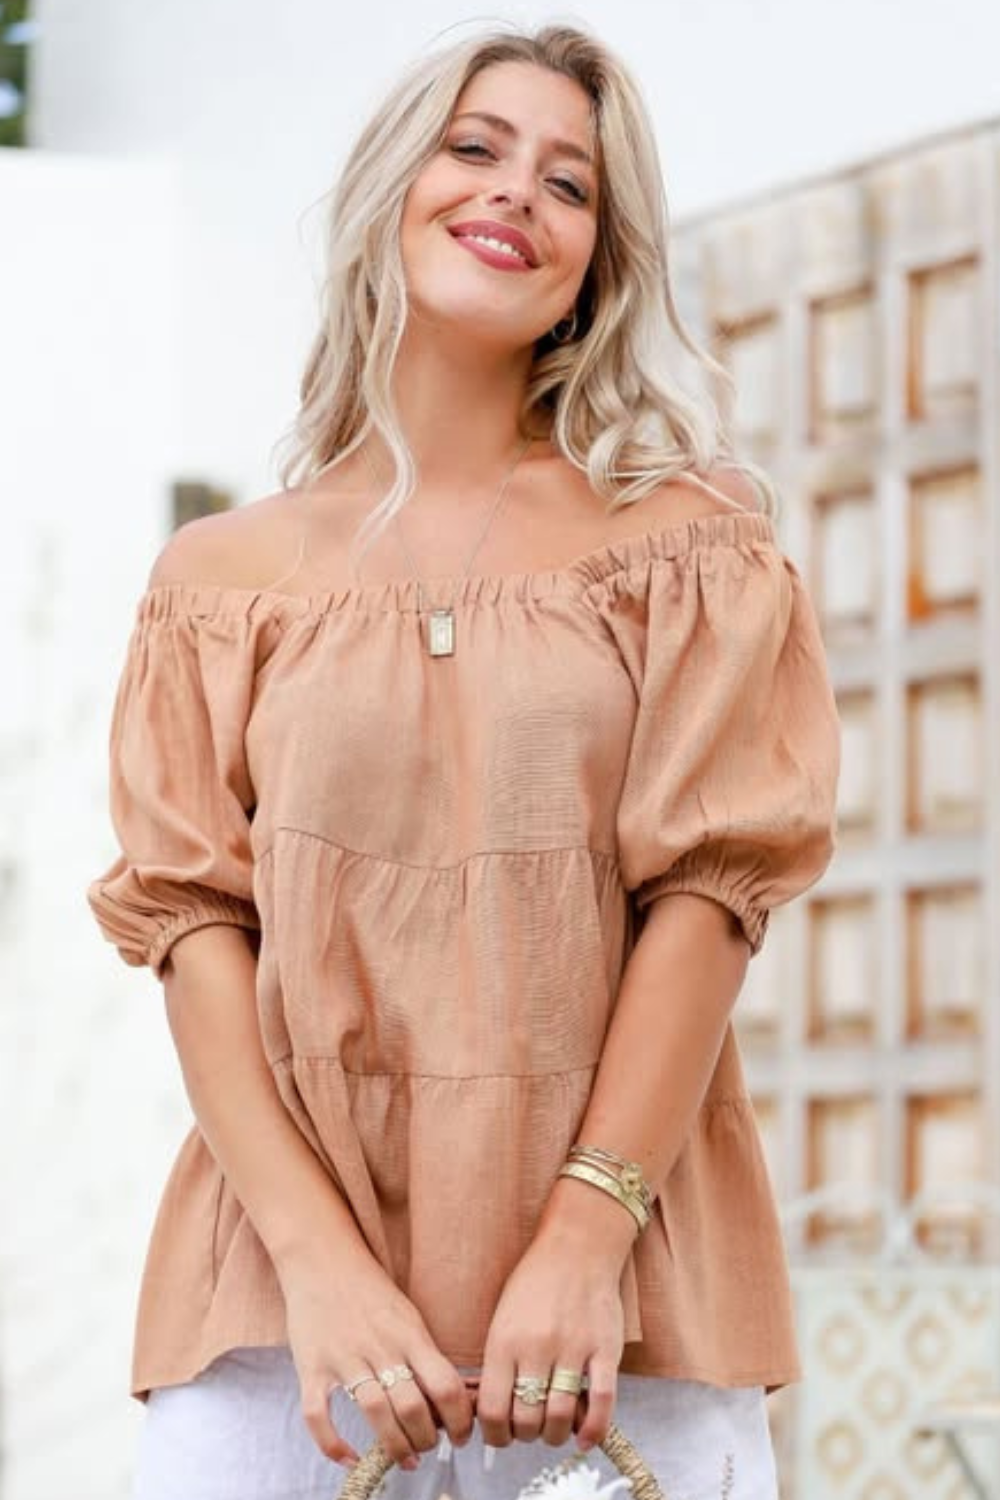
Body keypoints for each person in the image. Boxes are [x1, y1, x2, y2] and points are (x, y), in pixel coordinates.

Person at [87, 20, 841, 1500]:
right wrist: (320, 1271)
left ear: (600, 262)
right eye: (478, 148)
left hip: (621, 1316)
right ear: (395, 187)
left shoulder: (686, 543)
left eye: (573, 185)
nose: (518, 196)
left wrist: (586, 1229)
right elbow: (193, 930)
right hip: (283, 1323)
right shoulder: (220, 577)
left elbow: (706, 892)